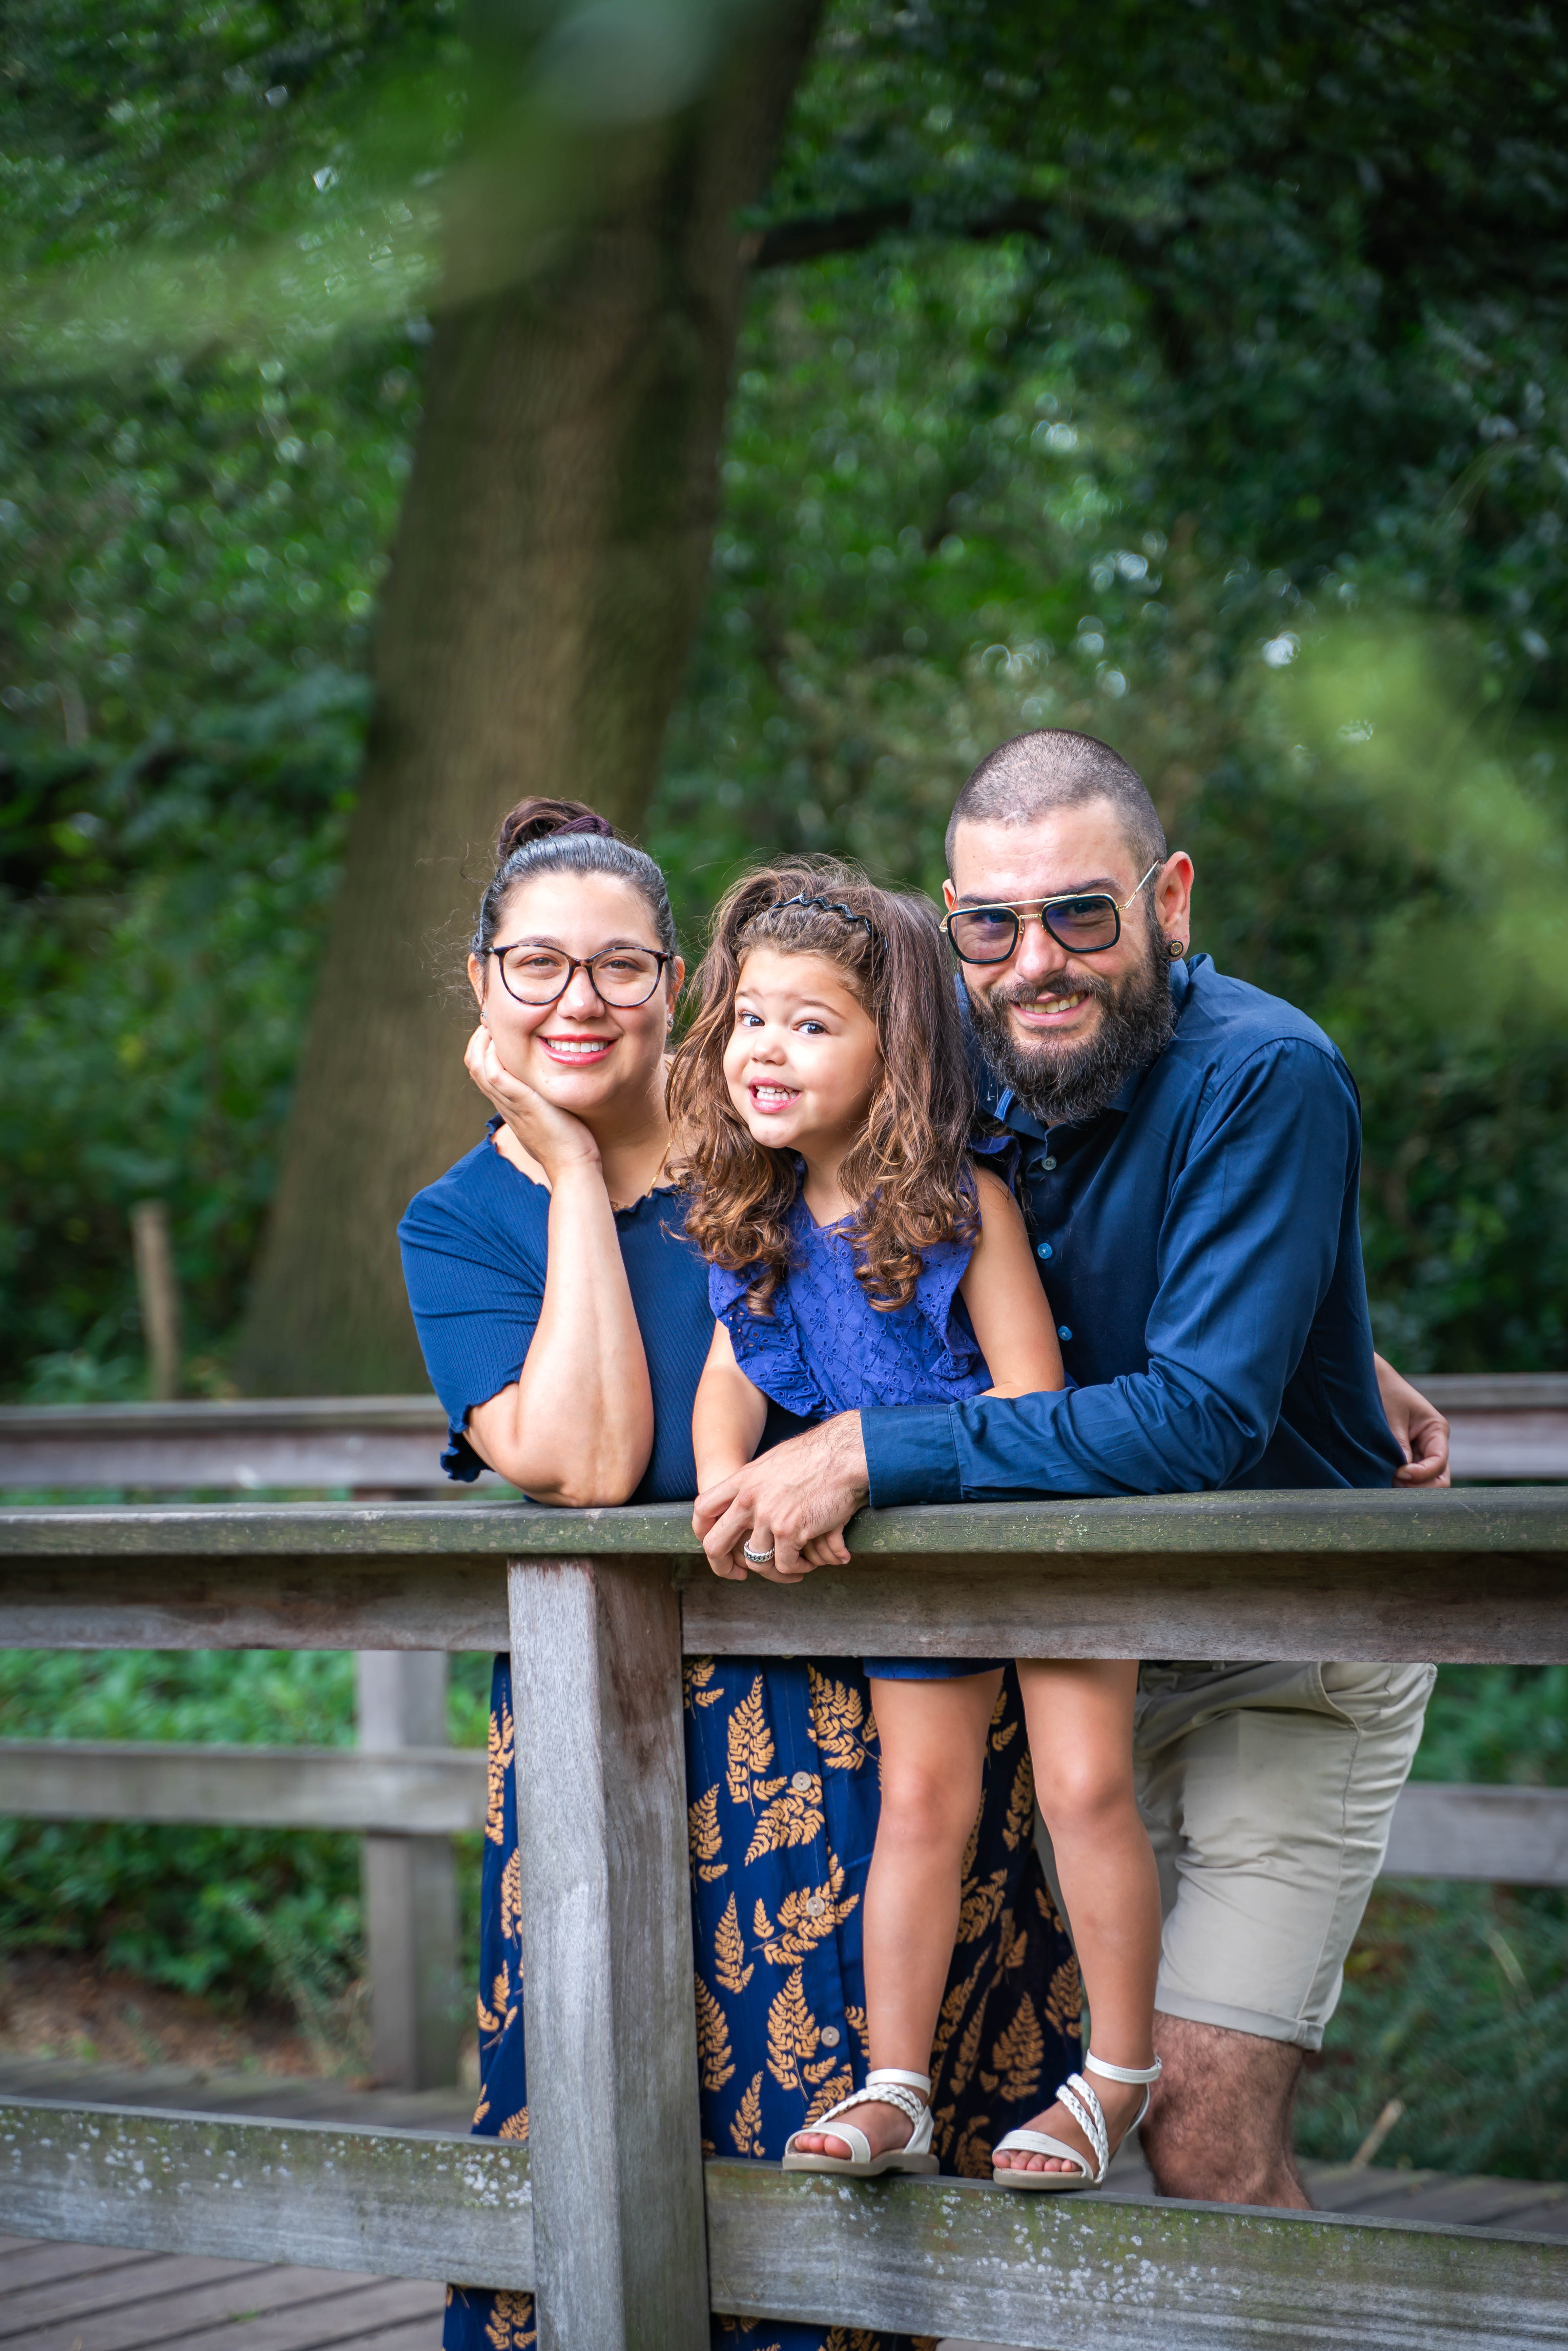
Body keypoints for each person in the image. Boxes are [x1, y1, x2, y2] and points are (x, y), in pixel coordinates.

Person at [694, 728, 1450, 2209]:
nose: (1033, 959)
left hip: (1270, 1655)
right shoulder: (955, 1057)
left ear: (1167, 899)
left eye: (1078, 915)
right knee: (993, 2108)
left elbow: (1192, 1420)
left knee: (1204, 2131)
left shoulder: (1265, 1074)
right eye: (990, 922)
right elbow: (770, 1125)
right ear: (949, 923)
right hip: (1054, 1649)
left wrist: (869, 1449)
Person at [397, 798, 1081, 2351]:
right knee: (602, 2139)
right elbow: (581, 1457)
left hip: (861, 1716)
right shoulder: (459, 1224)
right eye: (536, 967)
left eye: (622, 968)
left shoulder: (804, 1156)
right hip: (601, 1732)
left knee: (859, 2146)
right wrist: (575, 1172)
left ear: (681, 985)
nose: (579, 1001)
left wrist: (1339, 1357)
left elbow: (1025, 1290)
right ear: (478, 982)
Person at [671, 860, 1162, 2190]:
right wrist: (726, 1494)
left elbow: (1030, 1401)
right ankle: (894, 2083)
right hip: (915, 1586)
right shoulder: (760, 1231)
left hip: (1039, 1542)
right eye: (748, 1019)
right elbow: (727, 1394)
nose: (765, 1047)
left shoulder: (958, 1203)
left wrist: (873, 1469)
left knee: (1082, 1788)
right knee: (918, 1807)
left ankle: (1117, 2072)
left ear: (895, 1052)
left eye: (811, 1022)